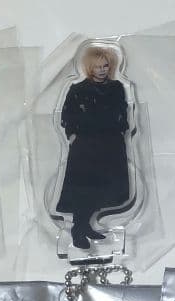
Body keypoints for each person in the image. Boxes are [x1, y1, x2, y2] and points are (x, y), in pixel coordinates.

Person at [54, 44, 133, 251]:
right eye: (97, 66)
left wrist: (122, 130)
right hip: (86, 147)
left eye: (105, 66)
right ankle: (78, 230)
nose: (102, 70)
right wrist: (73, 135)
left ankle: (85, 226)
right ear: (90, 67)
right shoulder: (78, 89)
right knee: (85, 188)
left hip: (110, 144)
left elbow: (122, 111)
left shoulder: (116, 87)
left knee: (102, 188)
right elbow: (67, 115)